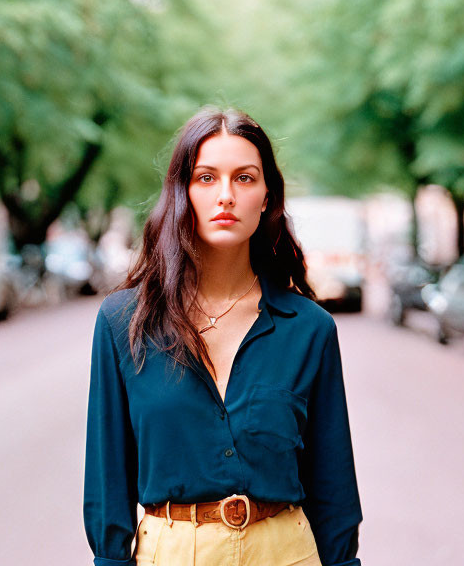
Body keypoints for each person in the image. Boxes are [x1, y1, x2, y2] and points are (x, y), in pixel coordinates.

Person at [84, 108, 363, 566]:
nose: (227, 196)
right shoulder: (123, 322)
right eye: (207, 178)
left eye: (245, 178)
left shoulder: (310, 328)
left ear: (267, 196)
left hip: (286, 552)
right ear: (182, 193)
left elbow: (334, 489)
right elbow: (106, 481)